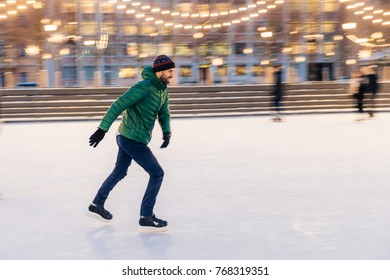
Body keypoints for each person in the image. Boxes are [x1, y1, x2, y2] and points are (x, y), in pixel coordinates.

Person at [86, 55, 175, 233]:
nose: (172, 75)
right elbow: (118, 105)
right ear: (159, 71)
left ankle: (97, 204)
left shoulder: (162, 90)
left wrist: (166, 132)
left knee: (120, 171)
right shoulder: (143, 87)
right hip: (131, 138)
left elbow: (164, 113)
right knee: (157, 173)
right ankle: (146, 217)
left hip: (131, 137)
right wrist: (102, 129)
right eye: (170, 71)